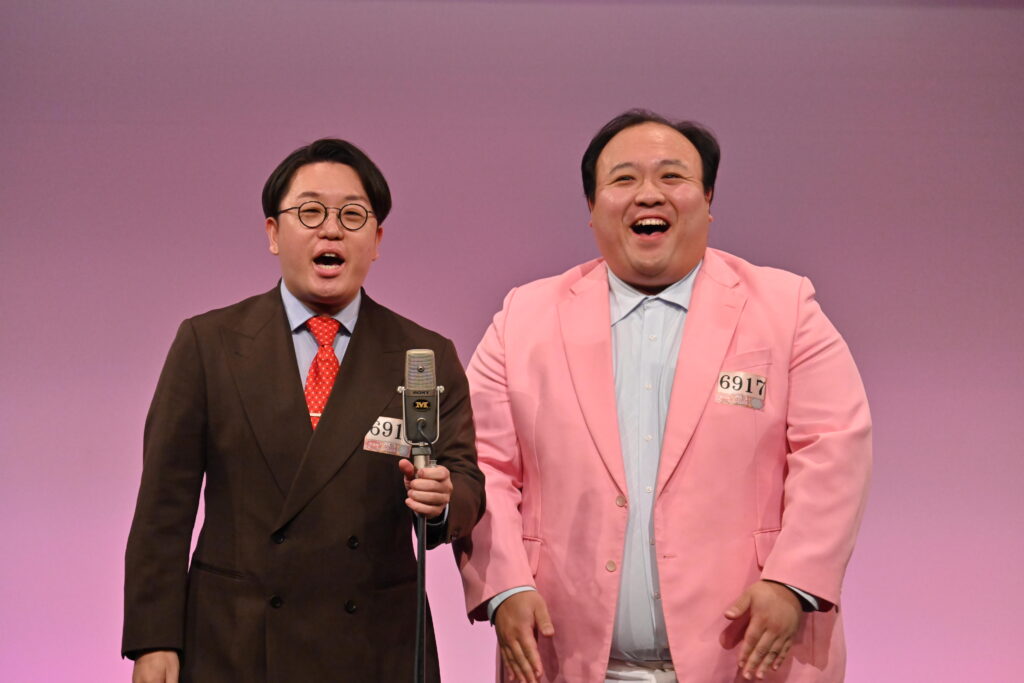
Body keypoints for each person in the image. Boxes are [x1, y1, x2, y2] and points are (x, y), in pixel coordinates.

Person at [458, 110, 871, 682]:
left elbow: (834, 450)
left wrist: (791, 581)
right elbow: (482, 464)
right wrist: (504, 586)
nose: (648, 194)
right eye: (623, 179)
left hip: (751, 656)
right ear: (592, 206)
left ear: (708, 199)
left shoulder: (786, 308)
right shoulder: (523, 318)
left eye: (672, 177)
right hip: (563, 654)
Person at [122, 138, 485, 682]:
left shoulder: (424, 355)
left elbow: (466, 480)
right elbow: (162, 509)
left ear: (377, 241)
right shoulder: (208, 343)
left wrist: (443, 500)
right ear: (273, 233)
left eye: (352, 216)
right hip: (236, 643)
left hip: (376, 646)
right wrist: (154, 640)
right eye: (310, 212)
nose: (331, 230)